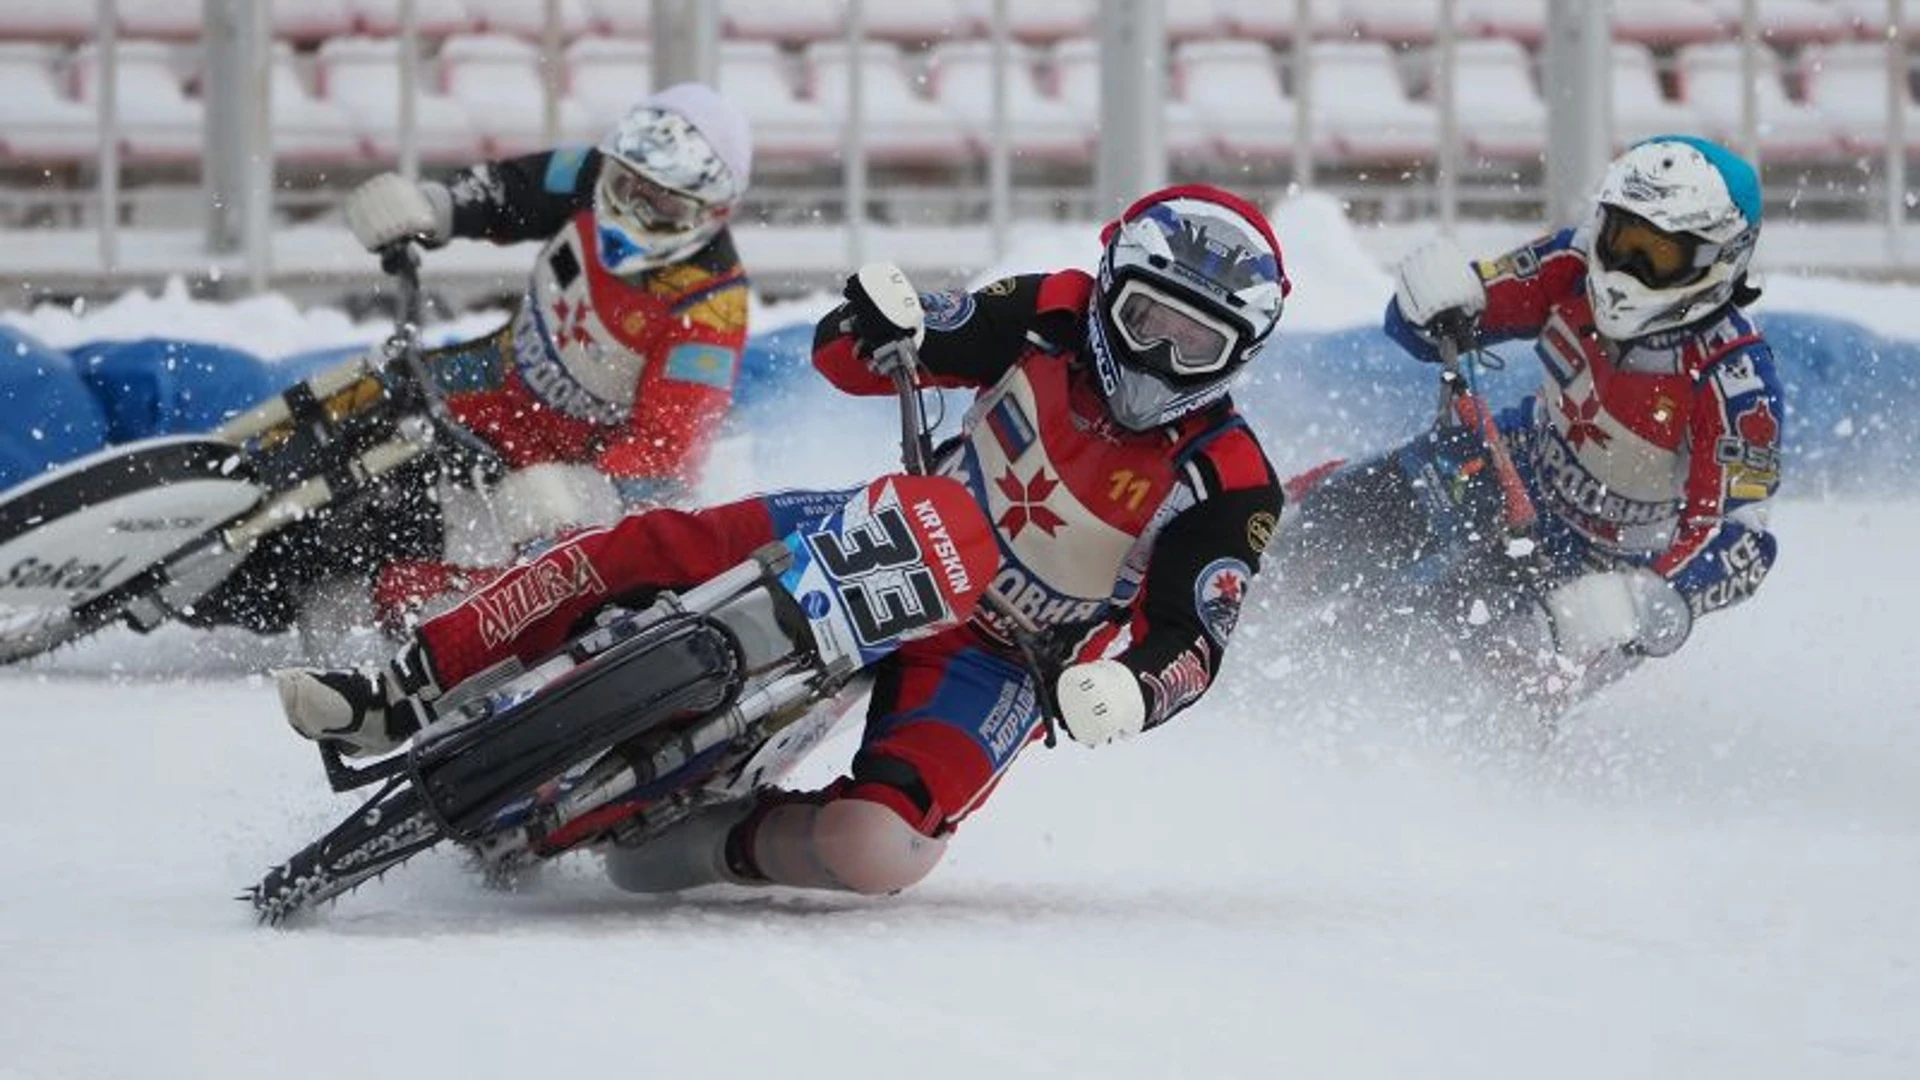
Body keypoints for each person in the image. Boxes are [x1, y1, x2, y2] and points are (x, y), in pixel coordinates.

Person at [274, 183, 1291, 897]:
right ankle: (394, 692)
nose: (1162, 356)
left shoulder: (1234, 480)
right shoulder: (1049, 309)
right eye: (1149, 317)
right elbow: (855, 355)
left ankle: (711, 847)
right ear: (1110, 285)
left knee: (873, 848)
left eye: (1198, 342)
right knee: (645, 546)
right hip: (899, 531)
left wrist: (1129, 690)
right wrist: (876, 324)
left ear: (1241, 353)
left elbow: (1192, 643)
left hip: (1004, 656)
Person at [185, 82, 755, 637]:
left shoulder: (711, 313)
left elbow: (666, 453)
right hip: (489, 382)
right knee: (346, 405)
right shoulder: (592, 172)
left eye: (661, 206)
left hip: (545, 477)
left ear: (711, 213)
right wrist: (431, 207)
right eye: (626, 185)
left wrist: (588, 490)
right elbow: (511, 189)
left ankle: (307, 601)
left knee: (394, 594)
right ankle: (201, 494)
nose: (629, 211)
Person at [1292, 134, 1782, 704]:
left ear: (1720, 259)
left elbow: (1741, 538)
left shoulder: (1737, 381)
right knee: (1340, 517)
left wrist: (1650, 598)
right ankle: (1229, 606)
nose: (1627, 267)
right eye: (1623, 238)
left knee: (1468, 689)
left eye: (1660, 254)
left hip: (1610, 569)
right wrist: (1427, 299)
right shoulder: (1572, 260)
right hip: (1512, 465)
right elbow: (1434, 322)